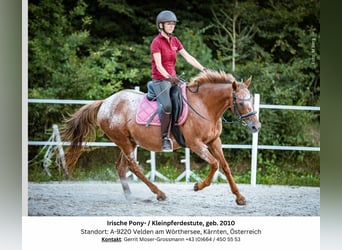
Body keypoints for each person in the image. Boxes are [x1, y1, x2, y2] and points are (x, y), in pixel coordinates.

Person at [148, 10, 207, 152]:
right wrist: (169, 77)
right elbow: (159, 65)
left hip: (173, 80)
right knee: (167, 106)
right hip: (160, 80)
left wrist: (203, 69)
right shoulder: (156, 43)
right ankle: (164, 139)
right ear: (161, 25)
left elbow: (188, 57)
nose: (172, 26)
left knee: (186, 98)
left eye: (173, 24)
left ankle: (181, 132)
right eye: (169, 24)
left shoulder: (175, 41)